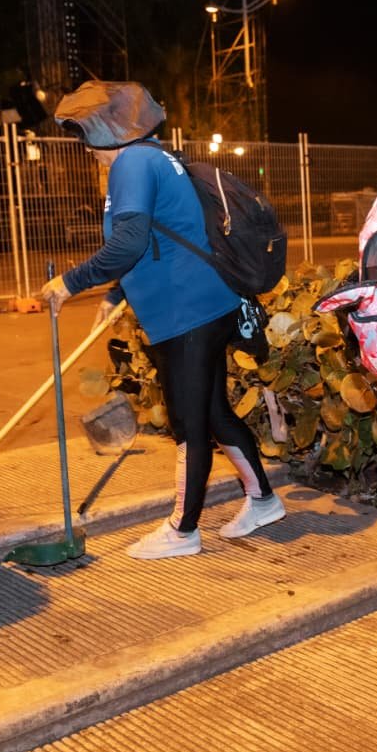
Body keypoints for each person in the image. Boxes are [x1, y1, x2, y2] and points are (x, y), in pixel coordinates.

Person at [41, 80, 284, 559]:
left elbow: (129, 242)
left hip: (185, 314)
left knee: (189, 425)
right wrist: (115, 293)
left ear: (106, 133)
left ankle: (183, 530)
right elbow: (161, 236)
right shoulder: (157, 157)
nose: (88, 152)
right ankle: (263, 500)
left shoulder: (131, 164)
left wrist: (70, 282)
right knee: (213, 411)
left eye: (86, 139)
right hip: (206, 306)